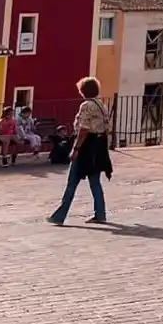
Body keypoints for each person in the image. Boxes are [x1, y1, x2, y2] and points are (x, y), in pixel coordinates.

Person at [46, 77, 113, 225]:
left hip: (86, 146)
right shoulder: (101, 105)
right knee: (95, 182)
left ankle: (60, 215)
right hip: (98, 145)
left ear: (83, 91)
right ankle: (100, 213)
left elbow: (84, 129)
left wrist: (76, 149)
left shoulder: (86, 106)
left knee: (72, 182)